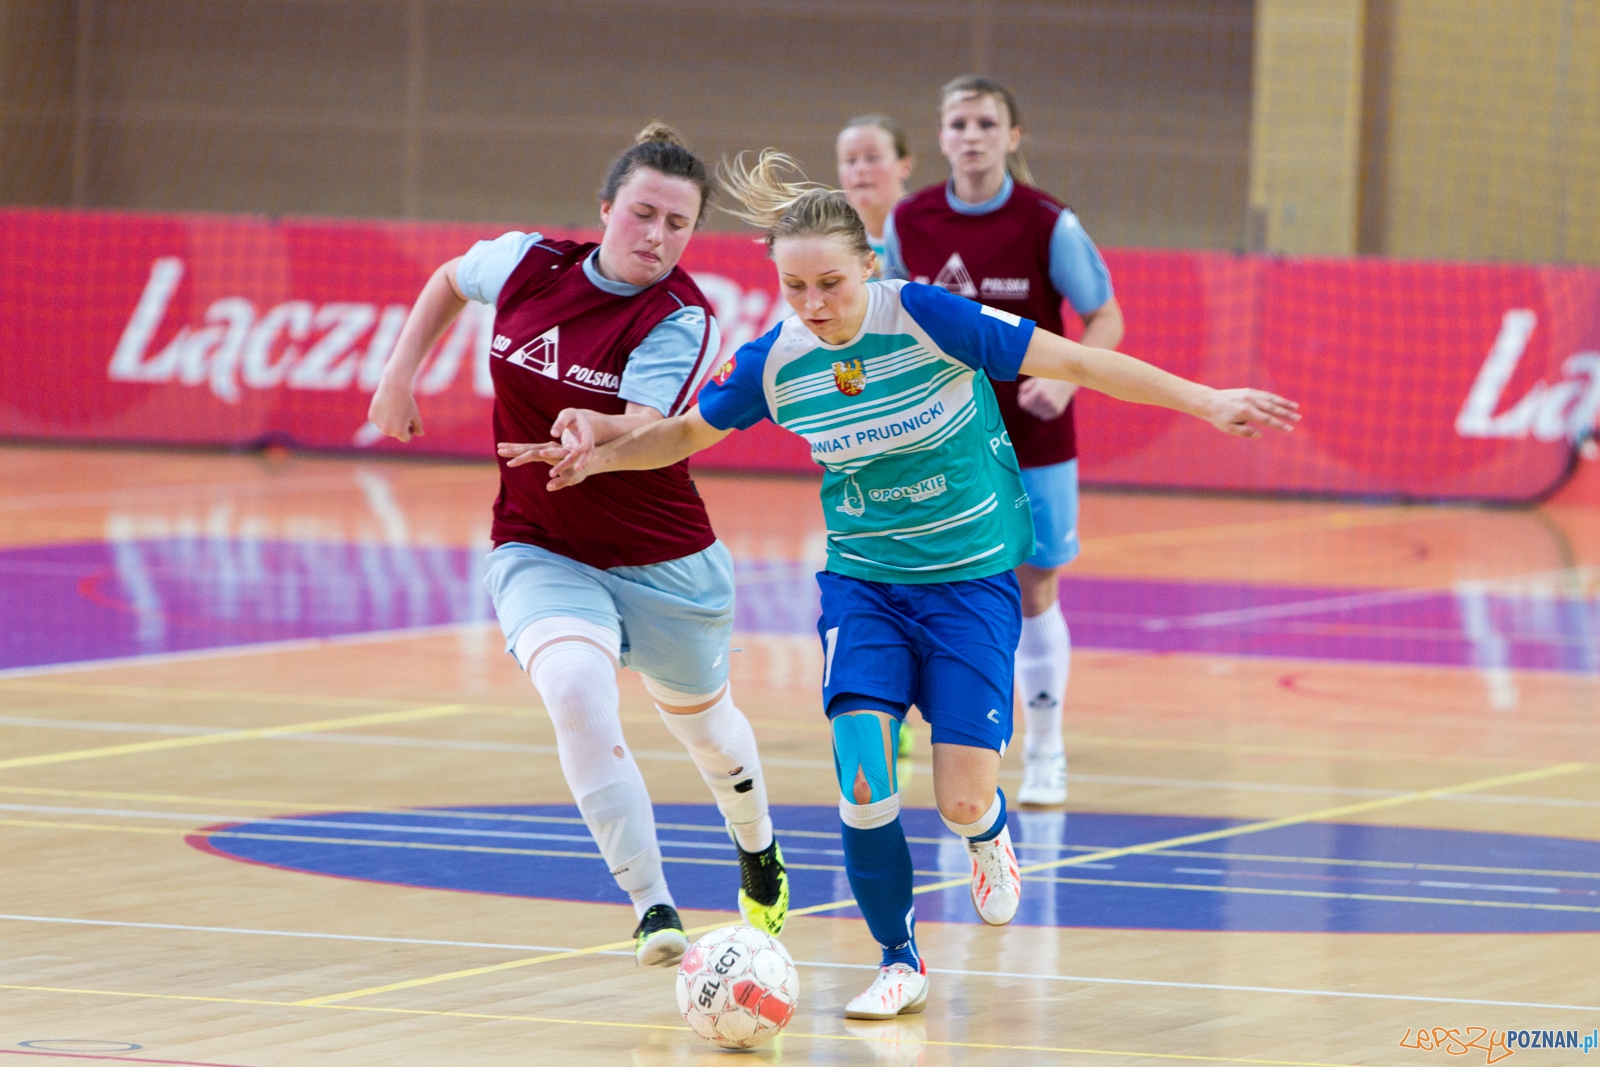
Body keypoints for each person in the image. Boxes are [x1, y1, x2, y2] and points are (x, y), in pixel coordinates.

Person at [500, 151, 1298, 1017]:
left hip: (969, 582)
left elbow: (1078, 363)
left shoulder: (927, 317)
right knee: (865, 778)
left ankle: (987, 833)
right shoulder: (777, 358)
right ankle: (899, 959)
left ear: (870, 267)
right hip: (865, 585)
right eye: (795, 287)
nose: (813, 305)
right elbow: (686, 432)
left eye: (831, 284)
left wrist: (1206, 400)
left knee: (960, 796)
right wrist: (601, 453)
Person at [367, 124, 789, 968]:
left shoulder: (684, 317)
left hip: (664, 561)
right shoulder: (528, 264)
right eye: (642, 214)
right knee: (574, 692)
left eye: (678, 224)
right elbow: (450, 278)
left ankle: (758, 848)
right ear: (605, 209)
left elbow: (642, 427)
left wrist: (590, 431)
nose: (657, 237)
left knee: (710, 736)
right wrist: (398, 371)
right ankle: (653, 905)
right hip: (540, 542)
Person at [881, 76, 1123, 806]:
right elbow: (889, 316)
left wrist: (1070, 382)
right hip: (942, 438)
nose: (972, 135)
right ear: (942, 136)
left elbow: (1104, 318)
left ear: (1013, 137)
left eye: (988, 122)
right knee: (950, 590)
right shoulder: (910, 219)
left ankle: (1046, 749)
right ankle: (969, 755)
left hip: (1034, 437)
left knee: (1034, 584)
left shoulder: (1048, 222)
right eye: (958, 123)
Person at [836, 114, 914, 271]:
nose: (860, 169)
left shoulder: (929, 229)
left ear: (904, 166)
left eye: (872, 158)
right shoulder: (829, 241)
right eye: (850, 160)